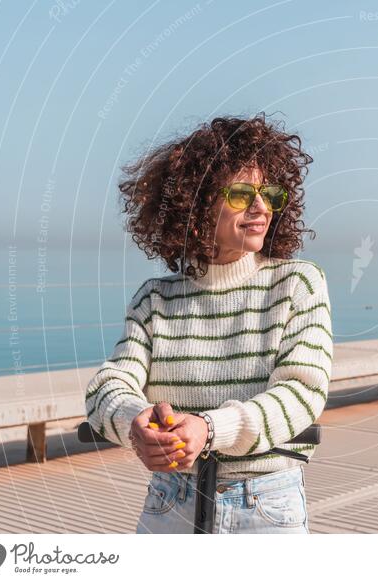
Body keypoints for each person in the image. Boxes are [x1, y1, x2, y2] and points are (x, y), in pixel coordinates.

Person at [83, 113, 333, 534]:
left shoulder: (298, 284)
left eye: (269, 193)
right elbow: (109, 385)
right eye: (240, 194)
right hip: (170, 501)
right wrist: (135, 423)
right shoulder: (155, 299)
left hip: (266, 507)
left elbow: (302, 393)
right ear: (195, 205)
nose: (260, 207)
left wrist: (209, 428)